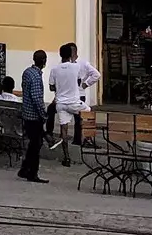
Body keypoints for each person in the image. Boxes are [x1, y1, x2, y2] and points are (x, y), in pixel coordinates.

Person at [46, 43, 100, 165]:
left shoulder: (54, 69)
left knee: (64, 129)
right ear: (71, 55)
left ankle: (67, 157)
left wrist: (60, 87)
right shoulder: (76, 67)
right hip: (75, 102)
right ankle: (88, 138)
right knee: (89, 112)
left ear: (60, 55)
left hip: (61, 103)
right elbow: (80, 79)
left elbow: (51, 87)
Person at [18, 51, 50, 183]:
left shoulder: (27, 72)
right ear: (44, 61)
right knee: (36, 145)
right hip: (33, 116)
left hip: (26, 112)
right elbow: (37, 98)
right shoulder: (36, 77)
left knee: (33, 144)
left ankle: (25, 168)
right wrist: (44, 114)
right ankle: (32, 173)